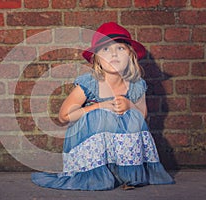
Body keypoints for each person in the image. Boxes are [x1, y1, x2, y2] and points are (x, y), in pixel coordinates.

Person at [31, 22, 174, 190]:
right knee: (99, 115)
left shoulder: (136, 84)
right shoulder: (91, 83)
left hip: (119, 146)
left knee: (134, 118)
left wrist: (129, 105)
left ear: (131, 54)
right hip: (91, 144)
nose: (113, 53)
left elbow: (142, 116)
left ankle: (122, 171)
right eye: (105, 49)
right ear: (97, 58)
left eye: (120, 48)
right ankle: (96, 172)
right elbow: (64, 117)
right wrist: (99, 106)